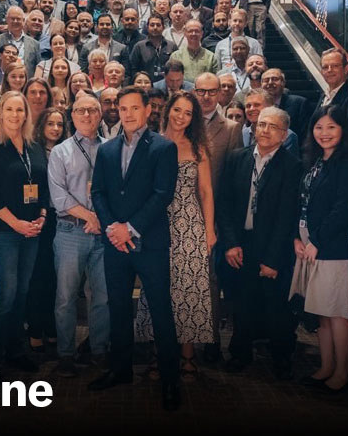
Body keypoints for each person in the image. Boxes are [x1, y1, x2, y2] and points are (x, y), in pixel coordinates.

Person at [88, 86, 181, 411]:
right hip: (115, 244)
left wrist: (129, 227)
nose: (127, 113)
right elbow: (98, 193)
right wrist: (113, 228)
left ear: (147, 110)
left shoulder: (164, 147)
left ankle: (170, 380)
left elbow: (162, 194)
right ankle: (120, 370)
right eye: (122, 107)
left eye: (134, 107)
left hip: (150, 243)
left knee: (161, 311)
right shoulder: (107, 149)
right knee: (118, 308)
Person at [135, 90, 215, 379]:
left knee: (189, 288)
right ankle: (160, 354)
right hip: (156, 223)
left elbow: (205, 192)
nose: (182, 117)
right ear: (168, 110)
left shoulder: (197, 147)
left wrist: (209, 230)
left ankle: (187, 356)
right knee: (158, 288)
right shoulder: (151, 142)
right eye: (178, 110)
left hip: (190, 225)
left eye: (188, 113)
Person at [219, 107, 301, 379]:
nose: (264, 130)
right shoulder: (237, 158)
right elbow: (224, 204)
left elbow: (287, 216)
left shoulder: (292, 165)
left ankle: (282, 358)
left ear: (284, 134)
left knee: (276, 306)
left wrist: (273, 259)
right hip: (241, 243)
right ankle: (240, 353)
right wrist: (230, 243)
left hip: (273, 245)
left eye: (272, 126)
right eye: (261, 124)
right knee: (242, 302)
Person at [0, 91, 51, 376]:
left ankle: (16, 351)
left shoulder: (34, 146)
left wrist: (42, 216)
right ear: (0, 113)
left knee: (22, 293)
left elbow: (43, 186)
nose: (15, 115)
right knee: (6, 294)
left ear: (26, 114)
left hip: (32, 230)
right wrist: (16, 223)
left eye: (20, 110)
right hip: (6, 232)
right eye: (9, 109)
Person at [288, 104, 348, 392]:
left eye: (332, 127)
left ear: (343, 129)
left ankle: (342, 371)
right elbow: (302, 202)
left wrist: (316, 241)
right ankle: (326, 366)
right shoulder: (315, 160)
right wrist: (297, 237)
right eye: (319, 127)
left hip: (333, 247)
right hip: (309, 244)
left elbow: (343, 208)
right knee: (321, 312)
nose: (324, 133)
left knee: (337, 313)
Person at [48, 94, 110, 377]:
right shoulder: (60, 152)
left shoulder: (112, 148)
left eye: (92, 110)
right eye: (81, 110)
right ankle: (65, 354)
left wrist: (101, 220)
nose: (87, 115)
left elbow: (118, 191)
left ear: (100, 114)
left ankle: (99, 351)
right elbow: (58, 196)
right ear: (71, 116)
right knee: (65, 297)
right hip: (70, 231)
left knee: (102, 296)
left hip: (104, 235)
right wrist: (91, 217)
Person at [193, 73, 243, 360]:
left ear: (220, 94)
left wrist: (220, 220)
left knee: (210, 279)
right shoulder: (181, 121)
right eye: (201, 91)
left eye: (212, 91)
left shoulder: (232, 128)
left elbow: (233, 178)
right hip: (180, 211)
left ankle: (210, 341)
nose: (206, 96)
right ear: (194, 91)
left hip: (212, 214)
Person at [27, 108, 68, 353]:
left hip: (62, 217)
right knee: (38, 275)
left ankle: (52, 328)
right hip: (39, 217)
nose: (55, 128)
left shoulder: (68, 149)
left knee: (56, 277)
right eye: (50, 123)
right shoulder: (32, 150)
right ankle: (35, 329)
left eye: (59, 124)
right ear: (41, 126)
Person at [243, 88, 299, 157]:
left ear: (270, 107)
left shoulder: (286, 136)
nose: (251, 109)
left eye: (257, 105)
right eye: (248, 106)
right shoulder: (243, 133)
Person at [262, 68, 313, 143]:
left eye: (274, 79)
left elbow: (306, 135)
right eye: (266, 80)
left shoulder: (299, 103)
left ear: (283, 83)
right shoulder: (256, 106)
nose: (270, 83)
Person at [0, 6, 40, 77]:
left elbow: (38, 69)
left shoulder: (35, 44)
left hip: (26, 82)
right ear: (7, 20)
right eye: (12, 19)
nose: (15, 21)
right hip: (1, 82)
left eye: (18, 19)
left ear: (23, 20)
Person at [129, 15, 175, 82]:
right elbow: (133, 69)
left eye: (158, 25)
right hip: (145, 85)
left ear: (163, 27)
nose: (155, 28)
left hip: (166, 85)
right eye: (152, 25)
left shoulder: (171, 46)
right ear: (147, 27)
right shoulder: (139, 47)